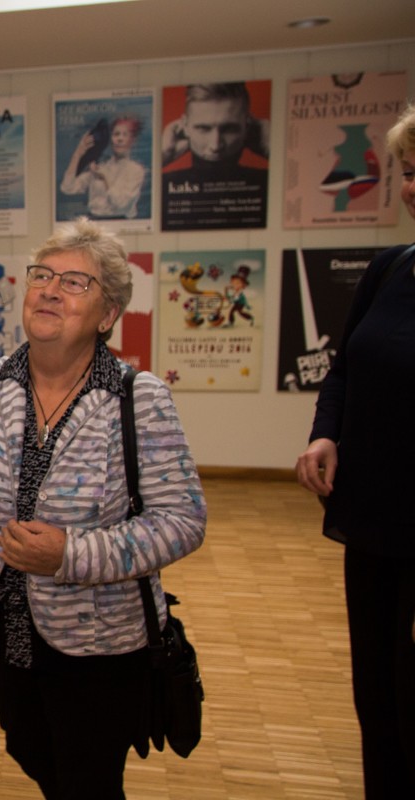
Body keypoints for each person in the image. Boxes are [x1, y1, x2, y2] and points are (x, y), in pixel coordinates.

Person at [0, 217, 206, 798]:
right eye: (42, 275)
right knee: (29, 747)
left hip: (99, 640)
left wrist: (71, 554)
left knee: (89, 778)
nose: (49, 289)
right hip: (5, 623)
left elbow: (183, 521)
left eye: (74, 282)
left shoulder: (137, 399)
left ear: (107, 314)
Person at [295, 103, 415, 799]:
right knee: (376, 694)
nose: (413, 187)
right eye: (409, 172)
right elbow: (344, 368)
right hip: (370, 520)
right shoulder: (390, 267)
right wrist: (325, 432)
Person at [160, 82, 269, 185]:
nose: (216, 146)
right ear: (185, 126)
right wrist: (163, 156)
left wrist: (271, 149)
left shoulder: (268, 181)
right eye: (203, 128)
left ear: (247, 126)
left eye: (228, 129)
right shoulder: (162, 183)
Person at [60, 115, 147, 219]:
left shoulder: (136, 170)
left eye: (125, 135)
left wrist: (105, 178)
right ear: (111, 139)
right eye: (116, 134)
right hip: (94, 222)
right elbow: (67, 188)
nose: (120, 139)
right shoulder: (100, 167)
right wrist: (78, 154)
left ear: (133, 140)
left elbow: (122, 204)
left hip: (122, 222)